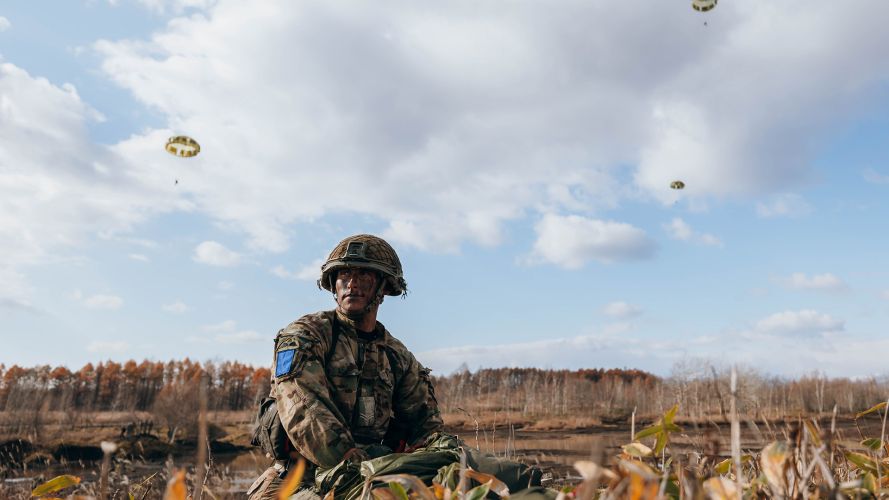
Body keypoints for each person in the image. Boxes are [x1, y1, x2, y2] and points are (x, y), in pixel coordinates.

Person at [248, 234, 444, 500]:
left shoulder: (397, 356)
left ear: (384, 287)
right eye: (344, 275)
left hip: (373, 476)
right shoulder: (306, 335)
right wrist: (355, 468)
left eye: (364, 276)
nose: (352, 284)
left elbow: (427, 428)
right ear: (333, 284)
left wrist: (441, 465)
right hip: (296, 478)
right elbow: (304, 410)